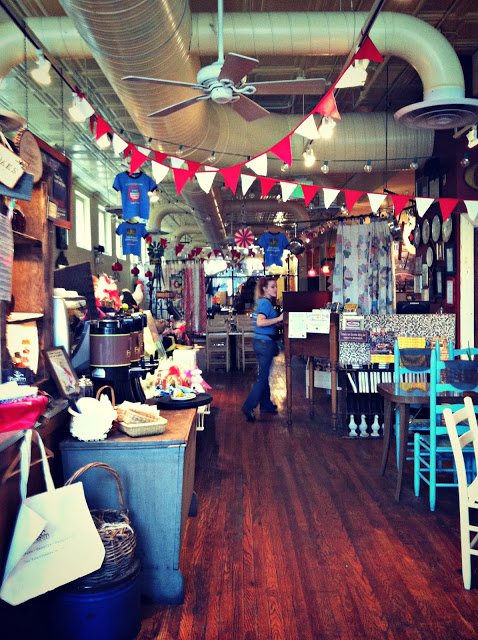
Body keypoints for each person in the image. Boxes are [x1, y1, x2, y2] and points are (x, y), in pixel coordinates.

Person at [241, 276, 283, 422]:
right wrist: (278, 319)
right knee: (263, 377)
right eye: (272, 286)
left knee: (263, 374)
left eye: (276, 286)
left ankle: (266, 405)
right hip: (265, 343)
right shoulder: (265, 303)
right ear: (264, 289)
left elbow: (260, 320)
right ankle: (248, 406)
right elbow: (260, 322)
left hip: (259, 341)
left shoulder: (258, 303)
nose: (275, 289)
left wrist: (274, 324)